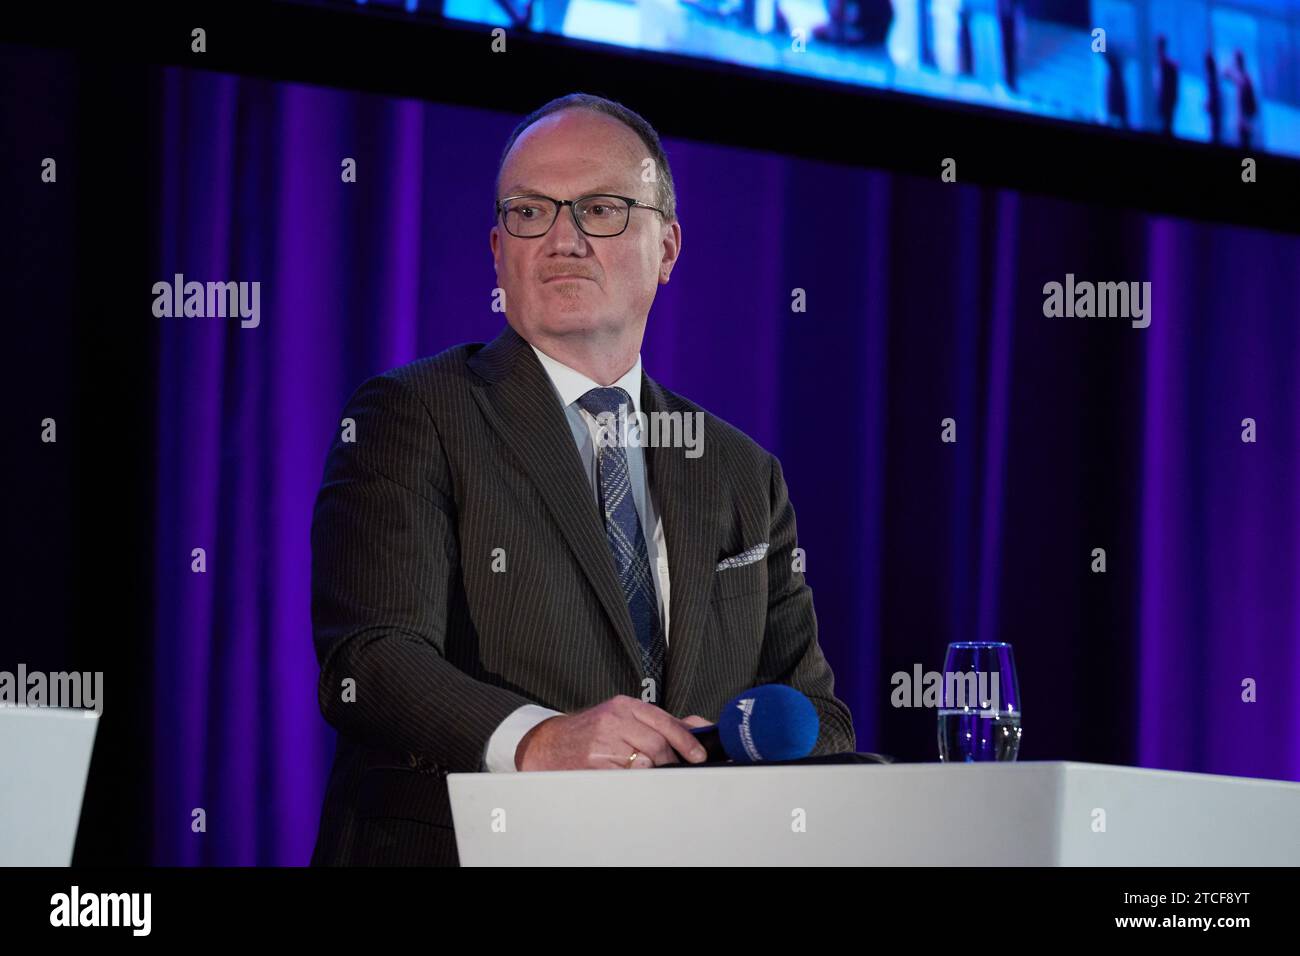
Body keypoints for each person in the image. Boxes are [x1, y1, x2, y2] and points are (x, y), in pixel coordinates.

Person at [309, 93, 856, 865]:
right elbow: (369, 661)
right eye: (531, 213)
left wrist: (714, 752)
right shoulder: (413, 415)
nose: (563, 238)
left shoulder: (741, 472)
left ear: (667, 248)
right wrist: (537, 740)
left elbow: (820, 717)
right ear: (499, 249)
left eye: (601, 209)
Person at [1224, 49, 1258, 149]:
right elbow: (1225, 74)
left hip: (1245, 123)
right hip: (1243, 122)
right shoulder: (1242, 77)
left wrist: (1246, 121)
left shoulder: (1244, 79)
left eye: (1236, 60)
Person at [1155, 34, 1179, 137]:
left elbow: (1173, 89)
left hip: (1168, 104)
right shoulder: (1159, 65)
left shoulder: (1170, 66)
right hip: (1162, 104)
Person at [1204, 51, 1222, 144]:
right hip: (1215, 112)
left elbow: (1214, 96)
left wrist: (1209, 104)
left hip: (1215, 113)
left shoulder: (1212, 78)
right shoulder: (1212, 77)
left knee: (1215, 135)